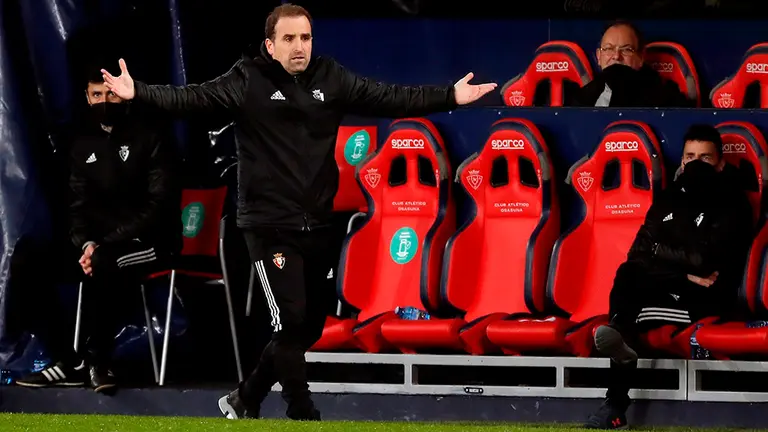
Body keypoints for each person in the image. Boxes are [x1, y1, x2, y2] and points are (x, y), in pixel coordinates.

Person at [99, 2, 496, 421]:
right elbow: (190, 98)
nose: (299, 46)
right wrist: (138, 92)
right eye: (289, 39)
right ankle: (301, 411)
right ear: (270, 45)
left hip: (319, 223)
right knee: (289, 323)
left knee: (308, 327)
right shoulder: (246, 79)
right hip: (268, 226)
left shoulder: (331, 77)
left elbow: (389, 97)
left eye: (305, 37)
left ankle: (245, 397)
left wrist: (450, 95)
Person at [14, 67, 181, 393]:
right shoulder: (82, 143)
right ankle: (70, 360)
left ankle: (98, 360)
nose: (105, 101)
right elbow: (77, 206)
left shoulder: (152, 136)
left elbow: (158, 208)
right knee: (27, 261)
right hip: (98, 245)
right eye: (97, 95)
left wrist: (103, 245)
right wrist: (86, 243)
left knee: (106, 261)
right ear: (86, 98)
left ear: (125, 92)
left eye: (111, 94)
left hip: (150, 243)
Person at [584, 124, 754, 429]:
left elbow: (705, 262)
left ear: (720, 163)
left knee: (629, 313)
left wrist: (662, 251)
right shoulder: (669, 197)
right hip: (677, 288)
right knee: (628, 273)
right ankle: (619, 355)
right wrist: (683, 275)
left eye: (705, 158)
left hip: (708, 299)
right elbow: (637, 254)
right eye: (690, 157)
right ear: (681, 161)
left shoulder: (733, 202)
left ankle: (615, 400)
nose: (696, 164)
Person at [570, 20, 692, 107]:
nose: (617, 56)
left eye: (626, 49)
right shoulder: (584, 97)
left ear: (641, 57)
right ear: (598, 56)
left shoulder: (664, 97)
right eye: (608, 49)